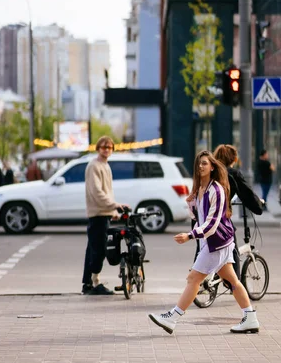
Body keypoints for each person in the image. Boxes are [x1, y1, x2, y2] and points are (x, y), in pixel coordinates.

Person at [148, 150, 260, 335]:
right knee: (232, 281)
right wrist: (191, 203)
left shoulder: (217, 190)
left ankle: (172, 318)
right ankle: (251, 318)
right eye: (199, 163)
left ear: (213, 166)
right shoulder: (201, 189)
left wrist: (190, 236)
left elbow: (212, 224)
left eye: (205, 163)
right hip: (214, 243)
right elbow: (198, 217)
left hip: (217, 243)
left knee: (193, 279)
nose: (201, 166)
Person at [82, 136, 129, 296]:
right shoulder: (94, 166)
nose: (106, 150)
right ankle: (95, 283)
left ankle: (87, 284)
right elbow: (97, 192)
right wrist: (114, 206)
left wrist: (113, 212)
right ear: (97, 148)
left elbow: (108, 192)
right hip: (97, 214)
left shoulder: (105, 166)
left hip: (104, 213)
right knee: (99, 250)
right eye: (103, 147)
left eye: (109, 147)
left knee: (92, 249)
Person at [213, 144, 264, 277]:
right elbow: (247, 194)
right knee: (232, 250)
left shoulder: (211, 171)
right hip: (220, 219)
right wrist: (259, 205)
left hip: (202, 216)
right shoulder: (232, 174)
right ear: (233, 160)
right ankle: (234, 285)